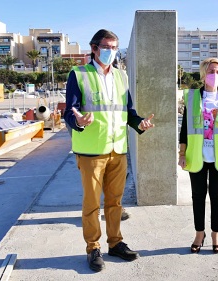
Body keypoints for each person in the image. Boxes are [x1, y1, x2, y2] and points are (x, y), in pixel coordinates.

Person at [64, 29, 154, 272]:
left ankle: (115, 243)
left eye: (115, 47)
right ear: (94, 48)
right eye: (107, 47)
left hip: (118, 150)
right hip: (91, 151)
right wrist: (79, 123)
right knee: (92, 204)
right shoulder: (79, 74)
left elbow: (129, 113)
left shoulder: (121, 76)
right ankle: (93, 247)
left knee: (115, 202)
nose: (111, 52)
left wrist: (140, 123)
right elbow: (69, 112)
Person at [178, 58, 218, 254]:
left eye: (217, 71)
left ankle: (216, 234)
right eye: (210, 71)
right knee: (198, 196)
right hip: (196, 155)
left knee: (217, 196)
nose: (214, 75)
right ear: (203, 74)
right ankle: (199, 233)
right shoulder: (192, 98)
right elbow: (184, 129)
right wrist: (182, 153)